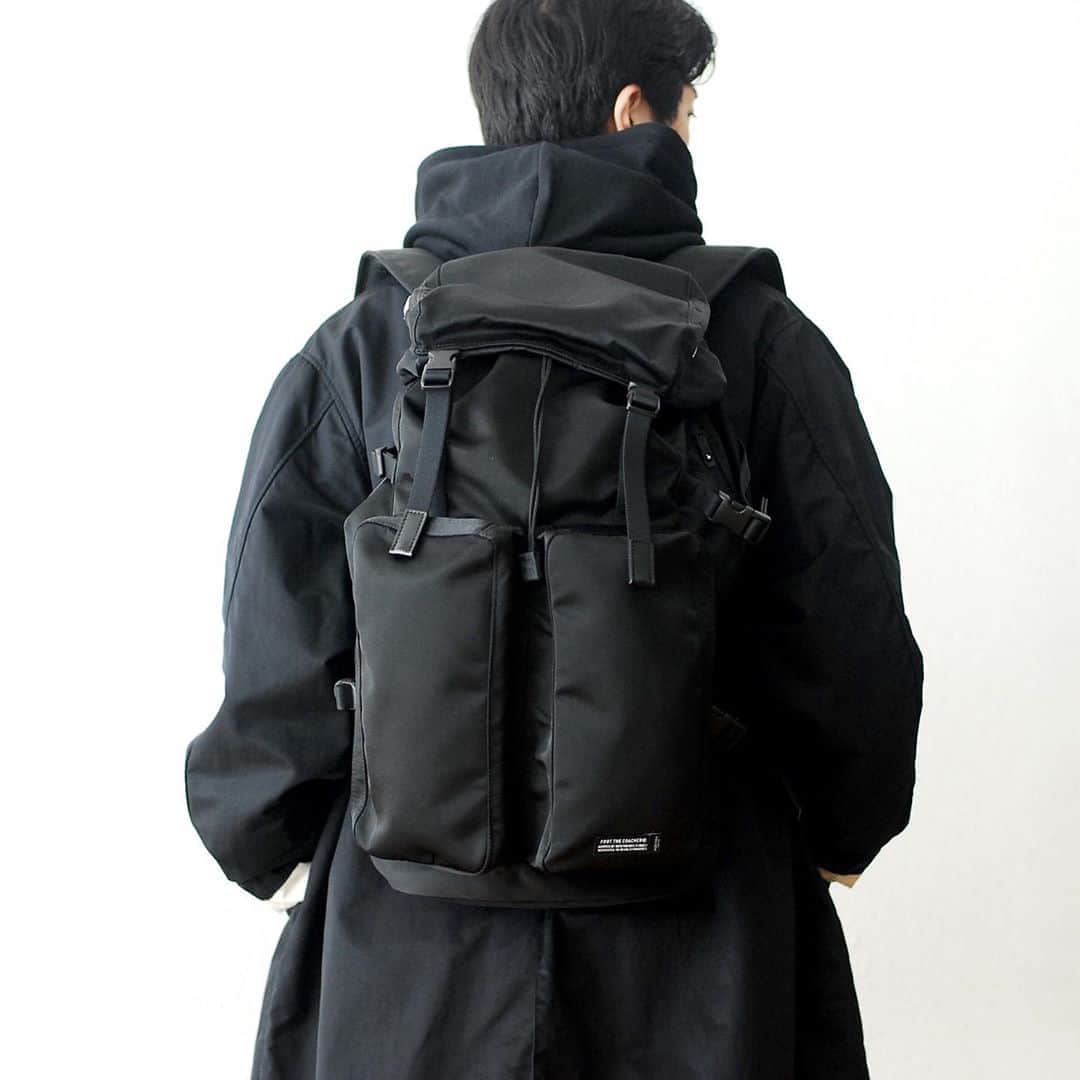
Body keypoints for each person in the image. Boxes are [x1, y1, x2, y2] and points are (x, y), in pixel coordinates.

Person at [184, 1, 924, 1076]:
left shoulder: (364, 343)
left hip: (406, 950)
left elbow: (275, 642)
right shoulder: (758, 337)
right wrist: (846, 827)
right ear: (635, 113)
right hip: (704, 949)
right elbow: (848, 626)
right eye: (688, 110)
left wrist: (266, 837)